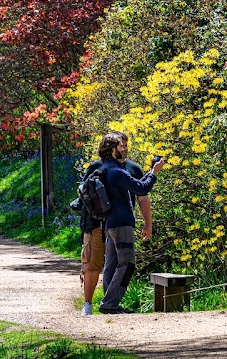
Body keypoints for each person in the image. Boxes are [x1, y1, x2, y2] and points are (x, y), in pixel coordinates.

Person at [78, 132, 157, 315]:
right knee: (127, 263)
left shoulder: (105, 169)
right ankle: (110, 303)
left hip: (110, 224)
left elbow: (138, 187)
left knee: (112, 264)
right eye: (121, 146)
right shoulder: (116, 172)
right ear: (112, 149)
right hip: (121, 223)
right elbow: (142, 188)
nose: (125, 149)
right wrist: (153, 172)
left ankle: (108, 302)